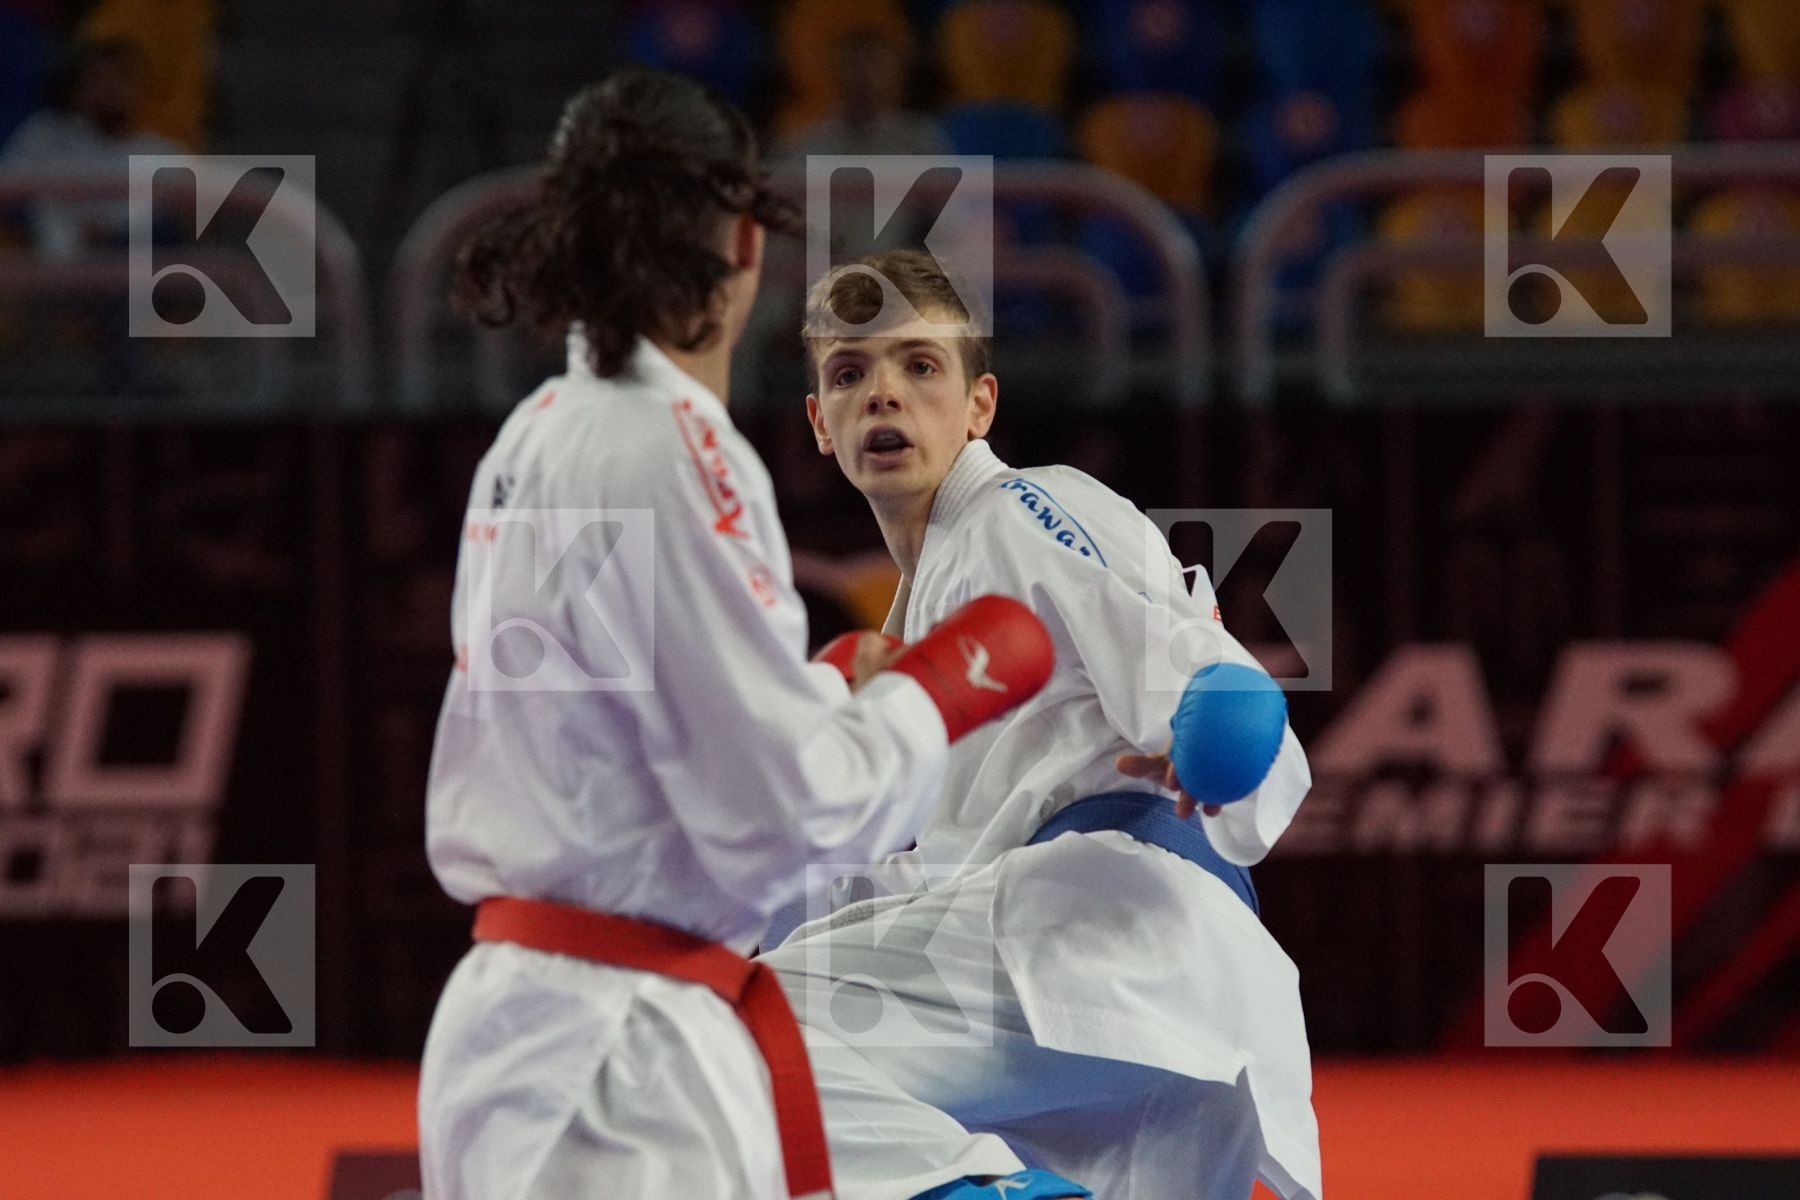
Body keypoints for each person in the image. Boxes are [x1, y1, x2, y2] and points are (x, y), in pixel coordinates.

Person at [417, 74, 1056, 1200]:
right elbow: (782, 812)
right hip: (619, 1064)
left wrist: (835, 707)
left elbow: (631, 739)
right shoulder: (673, 445)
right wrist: (934, 693)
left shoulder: (536, 434)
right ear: (746, 244)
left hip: (512, 1030)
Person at [762, 250, 1322, 1200]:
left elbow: (1226, 691)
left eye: (920, 366)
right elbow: (937, 872)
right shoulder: (921, 609)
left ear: (979, 406)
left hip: (1101, 938)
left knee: (728, 1037)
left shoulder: (1026, 507)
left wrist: (1209, 726)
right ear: (820, 421)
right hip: (1132, 1010)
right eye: (850, 374)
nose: (884, 394)